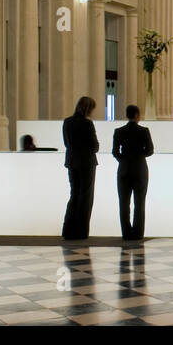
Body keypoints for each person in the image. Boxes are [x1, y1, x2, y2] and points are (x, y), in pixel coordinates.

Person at [112, 104, 154, 241]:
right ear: (137, 115)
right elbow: (149, 150)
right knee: (139, 203)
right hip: (140, 169)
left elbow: (115, 152)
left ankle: (126, 233)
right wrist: (138, 155)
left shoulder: (119, 131)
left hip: (124, 170)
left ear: (127, 115)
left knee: (123, 203)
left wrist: (123, 160)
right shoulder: (144, 131)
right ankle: (138, 233)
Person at [61, 97, 99, 241]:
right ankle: (81, 232)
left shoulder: (67, 122)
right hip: (86, 163)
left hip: (72, 162)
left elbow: (66, 143)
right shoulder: (87, 124)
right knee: (86, 197)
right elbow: (95, 146)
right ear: (89, 109)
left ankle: (68, 230)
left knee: (74, 195)